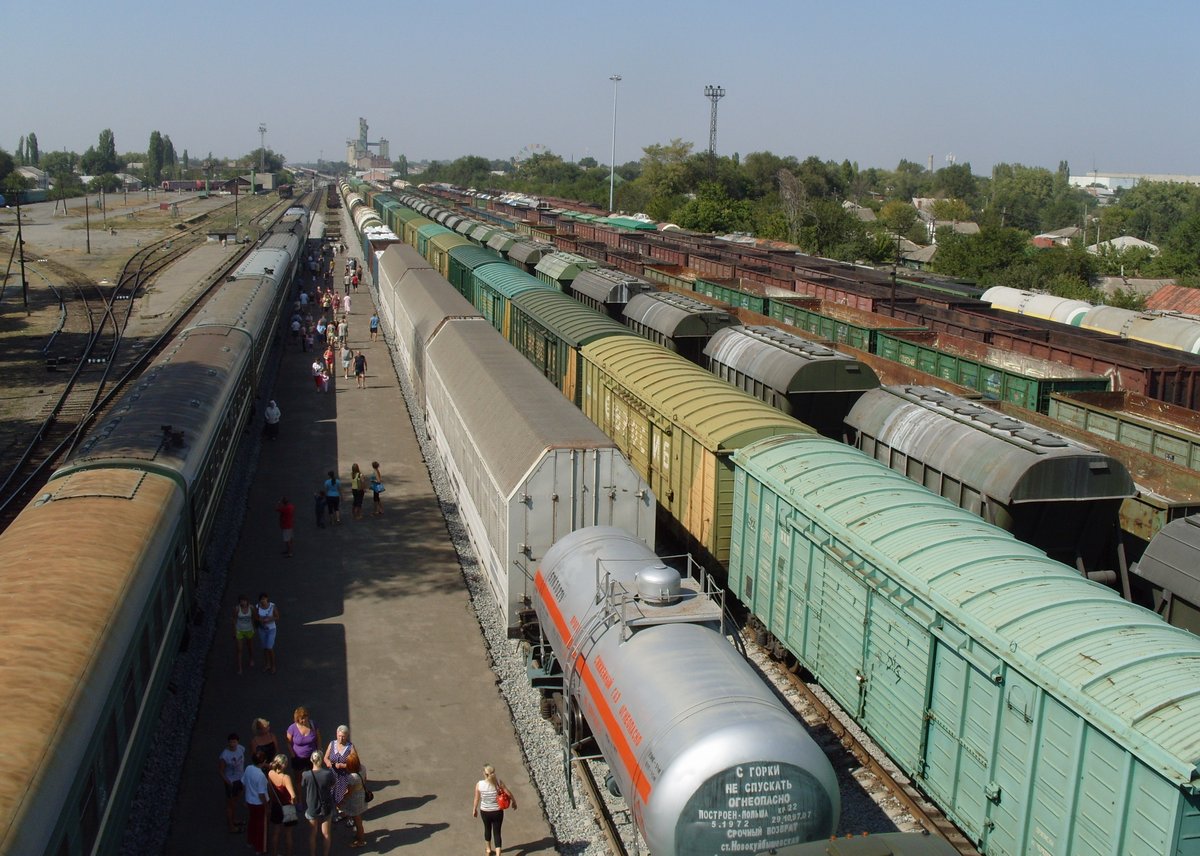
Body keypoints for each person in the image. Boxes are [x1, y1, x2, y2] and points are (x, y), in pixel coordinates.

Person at [473, 764, 516, 856]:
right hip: (497, 811)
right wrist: (514, 802)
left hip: (485, 811)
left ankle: (488, 849)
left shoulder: (479, 784)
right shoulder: (498, 783)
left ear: (484, 774)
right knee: (497, 832)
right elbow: (508, 793)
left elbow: (476, 798)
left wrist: (474, 809)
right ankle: (498, 853)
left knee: (487, 829)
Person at [302, 752, 335, 856]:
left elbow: (303, 784)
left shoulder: (306, 775)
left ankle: (313, 854)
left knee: (312, 834)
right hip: (326, 806)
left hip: (312, 806)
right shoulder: (328, 774)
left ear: (311, 760)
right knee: (326, 834)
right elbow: (332, 784)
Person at [323, 725, 361, 813]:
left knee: (344, 797)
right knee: (332, 794)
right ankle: (335, 811)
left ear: (347, 736)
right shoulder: (332, 744)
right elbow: (325, 757)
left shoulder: (350, 747)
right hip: (332, 775)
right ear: (336, 734)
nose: (341, 739)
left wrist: (343, 766)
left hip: (344, 777)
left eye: (343, 736)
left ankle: (344, 814)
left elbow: (355, 763)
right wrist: (328, 762)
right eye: (339, 736)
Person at [268, 754, 299, 856]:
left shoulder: (270, 773)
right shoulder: (285, 778)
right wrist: (294, 803)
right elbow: (293, 796)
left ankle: (274, 853)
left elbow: (270, 791)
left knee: (276, 831)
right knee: (288, 834)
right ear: (284, 765)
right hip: (287, 807)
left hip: (276, 805)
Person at [243, 749, 271, 855]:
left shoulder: (248, 768)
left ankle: (250, 840)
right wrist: (267, 806)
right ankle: (260, 848)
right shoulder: (261, 776)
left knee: (252, 821)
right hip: (259, 804)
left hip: (250, 800)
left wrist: (245, 799)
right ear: (263, 762)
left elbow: (244, 783)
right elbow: (261, 794)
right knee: (261, 826)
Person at [219, 733, 246, 834]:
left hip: (240, 779)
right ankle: (231, 826)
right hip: (231, 782)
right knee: (230, 805)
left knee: (235, 802)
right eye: (230, 742)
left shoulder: (241, 749)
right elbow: (221, 771)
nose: (232, 744)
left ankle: (234, 820)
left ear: (237, 742)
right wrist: (228, 782)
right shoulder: (224, 755)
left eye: (234, 741)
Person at [286, 707, 322, 780]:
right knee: (298, 779)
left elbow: (318, 738)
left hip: (312, 757)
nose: (303, 720)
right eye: (300, 719)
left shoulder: (313, 724)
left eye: (304, 718)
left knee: (314, 778)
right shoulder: (292, 728)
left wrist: (318, 751)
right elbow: (288, 742)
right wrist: (293, 755)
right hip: (298, 758)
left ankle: (312, 791)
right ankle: (299, 791)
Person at [338, 772, 367, 847]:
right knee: (358, 821)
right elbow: (365, 780)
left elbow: (349, 792)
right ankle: (359, 835)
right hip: (361, 795)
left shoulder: (352, 777)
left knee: (358, 822)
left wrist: (341, 800)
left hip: (354, 801)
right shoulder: (362, 768)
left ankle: (360, 840)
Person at [255, 593, 279, 673]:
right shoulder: (257, 607)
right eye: (262, 599)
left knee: (269, 647)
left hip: (271, 629)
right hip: (262, 629)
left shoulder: (272, 606)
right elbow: (256, 617)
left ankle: (273, 666)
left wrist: (269, 619)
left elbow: (277, 616)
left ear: (267, 599)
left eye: (264, 599)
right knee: (265, 648)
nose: (263, 600)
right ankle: (267, 664)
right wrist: (261, 620)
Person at [234, 596, 255, 674]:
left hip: (249, 630)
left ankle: (251, 658)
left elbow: (254, 617)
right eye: (241, 601)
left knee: (249, 646)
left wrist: (253, 627)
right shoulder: (237, 609)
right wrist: (234, 631)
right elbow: (234, 619)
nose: (243, 602)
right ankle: (240, 668)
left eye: (244, 601)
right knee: (239, 649)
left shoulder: (251, 608)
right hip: (239, 630)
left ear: (247, 601)